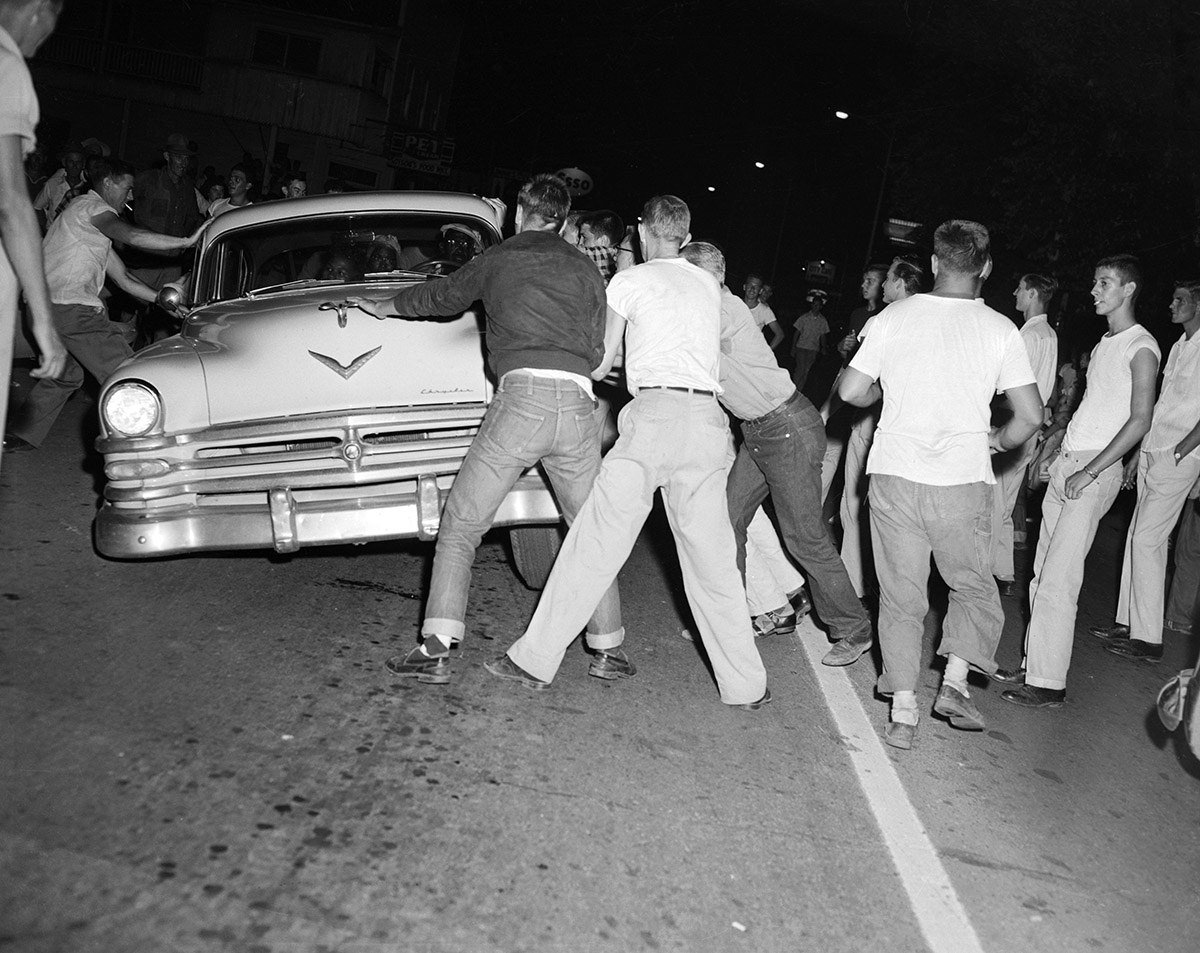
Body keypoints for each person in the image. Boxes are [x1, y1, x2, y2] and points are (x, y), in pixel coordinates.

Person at [493, 195, 768, 708]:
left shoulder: (630, 281)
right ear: (685, 238)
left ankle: (532, 660)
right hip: (708, 423)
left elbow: (598, 365)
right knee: (713, 562)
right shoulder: (708, 285)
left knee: (595, 540)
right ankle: (747, 686)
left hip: (654, 418)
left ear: (642, 232)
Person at [349, 173, 624, 686]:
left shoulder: (499, 258)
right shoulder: (586, 269)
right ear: (564, 220)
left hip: (523, 401)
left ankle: (435, 648)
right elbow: (595, 349)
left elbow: (442, 298)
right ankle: (608, 647)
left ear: (519, 213)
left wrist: (384, 304)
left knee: (461, 524)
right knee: (589, 531)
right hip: (579, 405)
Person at [839, 220, 1042, 748]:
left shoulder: (893, 316)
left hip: (893, 476)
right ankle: (954, 682)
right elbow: (1031, 415)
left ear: (933, 263)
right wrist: (996, 442)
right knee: (972, 585)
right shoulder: (1001, 330)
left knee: (901, 595)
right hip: (959, 480)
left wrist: (889, 398)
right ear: (987, 268)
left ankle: (902, 711)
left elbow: (852, 389)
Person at [681, 240, 873, 667]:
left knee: (804, 536)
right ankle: (727, 618)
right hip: (760, 430)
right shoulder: (714, 307)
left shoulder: (722, 308)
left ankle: (854, 628)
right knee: (728, 519)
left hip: (786, 426)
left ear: (703, 277)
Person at [1001, 255, 1160, 708]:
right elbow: (1091, 409)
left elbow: (1140, 419)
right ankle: (1035, 665)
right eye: (1095, 282)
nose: (1095, 290)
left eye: (1105, 283)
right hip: (1071, 461)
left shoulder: (1141, 346)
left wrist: (1090, 471)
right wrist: (1055, 451)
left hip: (1095, 470)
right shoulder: (1107, 340)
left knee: (1058, 578)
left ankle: (1048, 682)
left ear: (1129, 289)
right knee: (1040, 574)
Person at [3, 157, 205, 451]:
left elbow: (123, 278)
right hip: (70, 310)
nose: (131, 196)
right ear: (108, 184)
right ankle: (152, 441)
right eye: (127, 188)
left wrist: (164, 302)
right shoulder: (94, 209)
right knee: (127, 372)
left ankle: (20, 433)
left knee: (66, 376)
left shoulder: (81, 220)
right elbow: (132, 235)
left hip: (43, 310)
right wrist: (185, 242)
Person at [1090, 279, 1200, 661]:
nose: (1172, 305)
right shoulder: (1178, 347)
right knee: (1136, 535)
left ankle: (1149, 640)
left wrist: (1185, 447)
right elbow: (1162, 403)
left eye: (1180, 300)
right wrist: (1140, 452)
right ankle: (1127, 622)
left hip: (1180, 455)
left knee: (1149, 540)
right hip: (1155, 449)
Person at [0, 0, 67, 467]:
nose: (41, 45)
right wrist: (43, 321)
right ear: (39, 9)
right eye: (50, 29)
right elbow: (10, 200)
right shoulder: (7, 66)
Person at [838, 255, 924, 599]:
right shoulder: (928, 318)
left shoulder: (885, 318)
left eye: (888, 278)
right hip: (912, 427)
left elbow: (856, 386)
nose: (884, 284)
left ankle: (851, 583)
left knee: (853, 501)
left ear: (901, 282)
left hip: (875, 421)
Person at [992, 274, 1059, 596]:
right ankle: (1002, 571)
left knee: (993, 499)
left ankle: (988, 573)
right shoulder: (1049, 334)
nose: (1015, 293)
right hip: (1034, 424)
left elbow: (1010, 388)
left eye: (1020, 288)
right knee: (1004, 500)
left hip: (1015, 419)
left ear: (1032, 293)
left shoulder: (1027, 336)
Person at [32, 139, 84, 227]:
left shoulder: (87, 187)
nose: (75, 166)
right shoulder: (53, 184)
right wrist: (46, 231)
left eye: (78, 162)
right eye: (71, 161)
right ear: (64, 163)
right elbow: (37, 207)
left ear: (83, 164)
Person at [790, 289, 829, 390]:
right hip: (801, 347)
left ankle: (799, 391)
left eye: (818, 305)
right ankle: (792, 390)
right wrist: (793, 347)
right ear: (811, 305)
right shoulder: (804, 317)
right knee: (800, 369)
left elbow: (823, 336)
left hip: (813, 349)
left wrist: (823, 348)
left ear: (821, 307)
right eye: (814, 305)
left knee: (806, 371)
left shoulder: (823, 321)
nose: (816, 307)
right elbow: (796, 332)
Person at [741, 272, 783, 350]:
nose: (752, 289)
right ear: (744, 287)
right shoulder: (735, 304)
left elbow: (779, 334)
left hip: (750, 353)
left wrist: (766, 352)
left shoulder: (765, 310)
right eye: (750, 285)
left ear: (760, 291)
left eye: (756, 287)